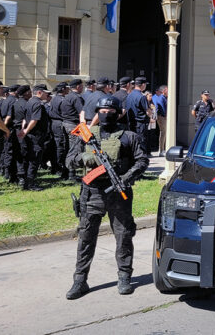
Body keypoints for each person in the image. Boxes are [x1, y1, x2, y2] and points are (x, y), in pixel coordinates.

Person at [66, 96, 149, 300]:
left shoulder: (129, 136)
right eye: (102, 110)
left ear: (118, 113)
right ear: (97, 112)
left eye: (110, 111)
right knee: (86, 236)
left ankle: (124, 276)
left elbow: (142, 161)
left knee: (123, 236)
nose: (106, 114)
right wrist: (82, 158)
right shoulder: (86, 135)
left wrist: (124, 178)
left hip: (118, 192)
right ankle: (80, 280)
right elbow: (69, 160)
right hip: (92, 191)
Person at [18, 84, 51, 191]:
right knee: (34, 159)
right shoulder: (37, 103)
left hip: (31, 135)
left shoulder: (29, 102)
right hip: (36, 135)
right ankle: (30, 184)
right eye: (46, 92)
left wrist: (24, 129)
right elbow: (34, 120)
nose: (47, 94)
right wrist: (26, 131)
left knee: (29, 158)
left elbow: (24, 118)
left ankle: (27, 182)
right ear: (39, 92)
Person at [61, 78, 85, 182]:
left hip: (65, 124)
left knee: (68, 148)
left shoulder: (66, 97)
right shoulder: (76, 98)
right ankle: (71, 174)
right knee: (75, 148)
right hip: (73, 125)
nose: (83, 88)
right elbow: (81, 113)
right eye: (82, 86)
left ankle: (66, 172)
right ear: (78, 86)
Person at [0, 84, 20, 183]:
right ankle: (9, 174)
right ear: (15, 91)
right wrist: (6, 129)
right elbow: (9, 116)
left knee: (5, 150)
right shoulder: (13, 101)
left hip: (4, 126)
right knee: (10, 151)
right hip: (9, 128)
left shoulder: (5, 100)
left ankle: (4, 170)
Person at [124, 77, 151, 154]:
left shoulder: (129, 95)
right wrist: (151, 115)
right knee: (141, 143)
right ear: (143, 84)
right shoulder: (142, 96)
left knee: (133, 143)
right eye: (145, 84)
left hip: (131, 123)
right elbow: (148, 111)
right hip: (141, 123)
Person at [49, 82, 69, 178]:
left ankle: (55, 166)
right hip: (59, 123)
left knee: (55, 145)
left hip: (53, 123)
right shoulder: (62, 100)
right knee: (60, 146)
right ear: (63, 89)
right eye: (67, 88)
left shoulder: (54, 98)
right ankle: (58, 166)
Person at [152, 85, 167, 157]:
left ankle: (163, 149)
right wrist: (165, 115)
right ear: (164, 90)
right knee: (163, 132)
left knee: (164, 132)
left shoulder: (163, 97)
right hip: (162, 117)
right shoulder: (161, 98)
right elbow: (161, 107)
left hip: (162, 116)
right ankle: (161, 150)